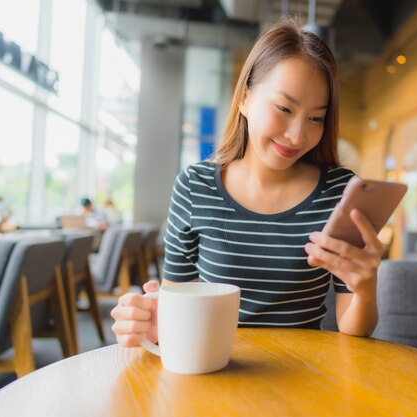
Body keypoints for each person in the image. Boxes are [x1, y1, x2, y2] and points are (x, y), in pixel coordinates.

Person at [111, 20, 382, 347]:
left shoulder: (339, 192)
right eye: (284, 108)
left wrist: (364, 289)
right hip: (216, 369)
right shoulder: (196, 187)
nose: (297, 135)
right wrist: (147, 319)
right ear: (244, 98)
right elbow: (174, 308)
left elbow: (354, 330)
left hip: (308, 377)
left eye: (316, 118)